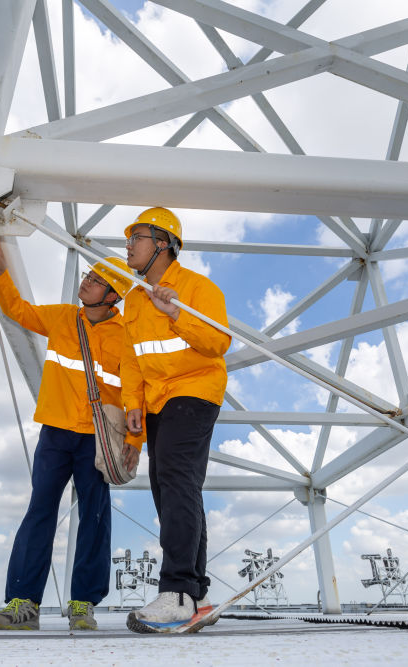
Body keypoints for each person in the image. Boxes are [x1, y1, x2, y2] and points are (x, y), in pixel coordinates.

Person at [0, 236, 140, 632]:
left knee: (95, 518)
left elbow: (137, 394)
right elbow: (18, 310)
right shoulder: (63, 317)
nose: (86, 281)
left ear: (113, 296)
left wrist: (134, 443)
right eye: (87, 275)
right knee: (40, 512)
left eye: (96, 280)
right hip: (55, 433)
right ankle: (23, 603)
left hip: (96, 440)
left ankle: (83, 604)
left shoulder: (126, 337)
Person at [119, 207, 232, 633]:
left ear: (163, 244)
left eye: (137, 237)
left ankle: (178, 591)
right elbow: (132, 359)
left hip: (195, 391)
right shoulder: (132, 298)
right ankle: (197, 595)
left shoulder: (197, 288)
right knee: (171, 487)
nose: (128, 245)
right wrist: (133, 402)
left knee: (175, 477)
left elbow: (218, 342)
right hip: (155, 402)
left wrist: (176, 314)